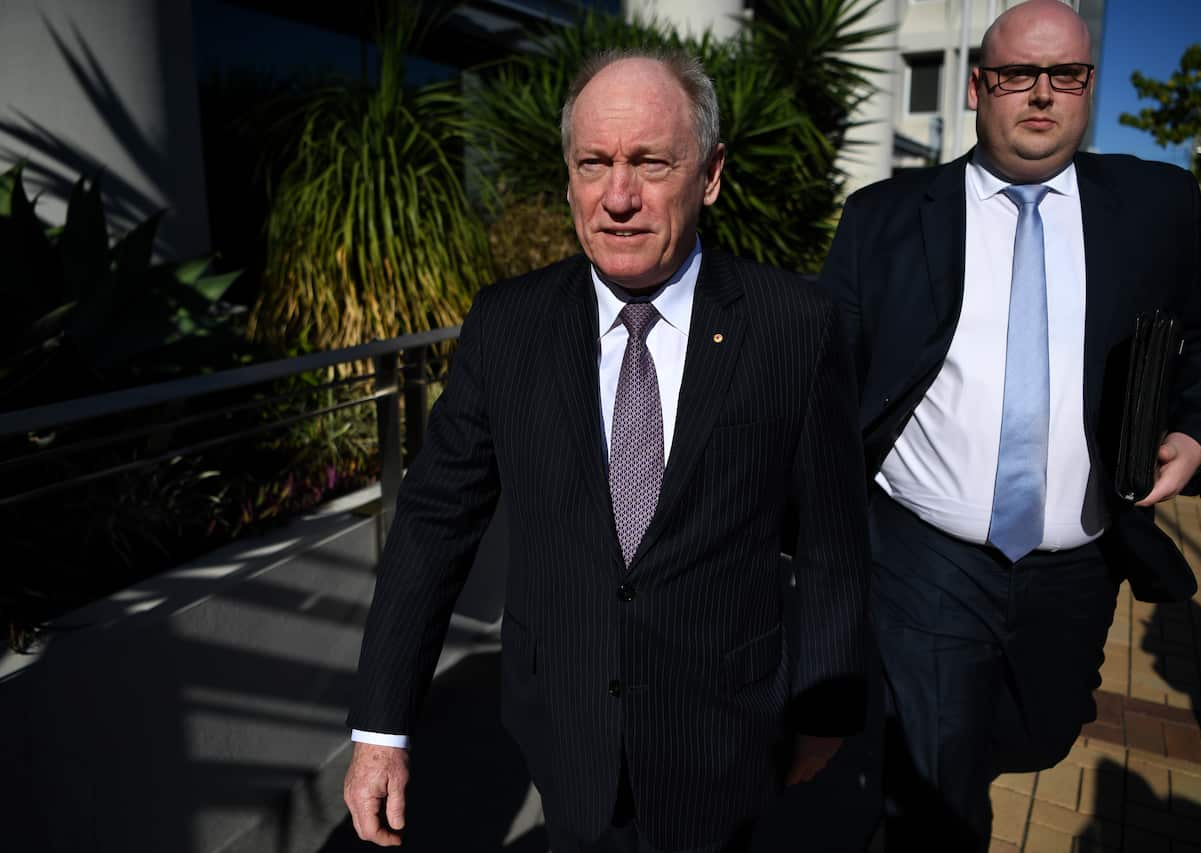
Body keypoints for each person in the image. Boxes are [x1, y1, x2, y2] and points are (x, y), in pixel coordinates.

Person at [343, 47, 874, 853]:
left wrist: (826, 711)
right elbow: (431, 522)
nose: (618, 197)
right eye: (594, 163)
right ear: (568, 177)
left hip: (724, 740)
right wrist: (381, 725)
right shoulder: (507, 325)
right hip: (562, 728)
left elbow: (834, 536)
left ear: (711, 174)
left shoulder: (793, 326)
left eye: (651, 162)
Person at [816, 0, 1201, 848]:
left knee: (1039, 732)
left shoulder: (1156, 205)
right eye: (1017, 75)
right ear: (979, 87)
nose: (1041, 95)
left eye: (1066, 75)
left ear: (1088, 86)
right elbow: (831, 377)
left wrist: (1195, 435)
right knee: (937, 784)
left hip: (1077, 560)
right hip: (927, 553)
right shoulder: (885, 217)